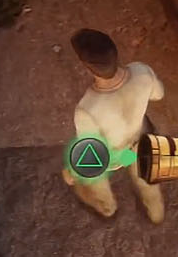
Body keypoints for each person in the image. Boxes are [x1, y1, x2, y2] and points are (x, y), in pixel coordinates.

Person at [60, 28, 165, 223]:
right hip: (140, 145)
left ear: (87, 67)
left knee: (94, 180)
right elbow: (158, 94)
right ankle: (155, 213)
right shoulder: (142, 72)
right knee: (148, 181)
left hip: (114, 158)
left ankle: (107, 208)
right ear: (115, 52)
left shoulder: (87, 109)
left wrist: (72, 172)